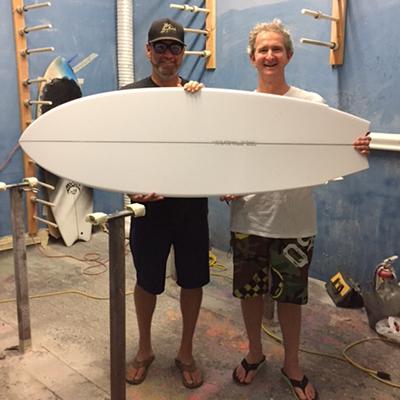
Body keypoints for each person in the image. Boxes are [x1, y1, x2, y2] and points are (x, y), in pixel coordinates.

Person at [223, 19, 370, 400]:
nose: (269, 55)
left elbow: (337, 147)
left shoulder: (311, 105)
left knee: (290, 298)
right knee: (250, 294)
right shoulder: (240, 108)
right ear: (252, 58)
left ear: (288, 55)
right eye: (263, 50)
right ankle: (254, 353)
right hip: (249, 217)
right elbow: (227, 156)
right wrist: (223, 184)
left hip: (295, 221)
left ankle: (292, 363)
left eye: (276, 49)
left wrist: (355, 148)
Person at [122, 18, 209, 389]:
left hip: (191, 207)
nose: (167, 55)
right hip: (150, 210)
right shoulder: (128, 97)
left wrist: (199, 102)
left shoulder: (197, 97)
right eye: (160, 47)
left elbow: (215, 148)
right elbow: (117, 151)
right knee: (147, 282)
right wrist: (129, 188)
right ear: (148, 51)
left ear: (183, 53)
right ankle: (144, 350)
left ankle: (185, 352)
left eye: (174, 48)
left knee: (192, 280)